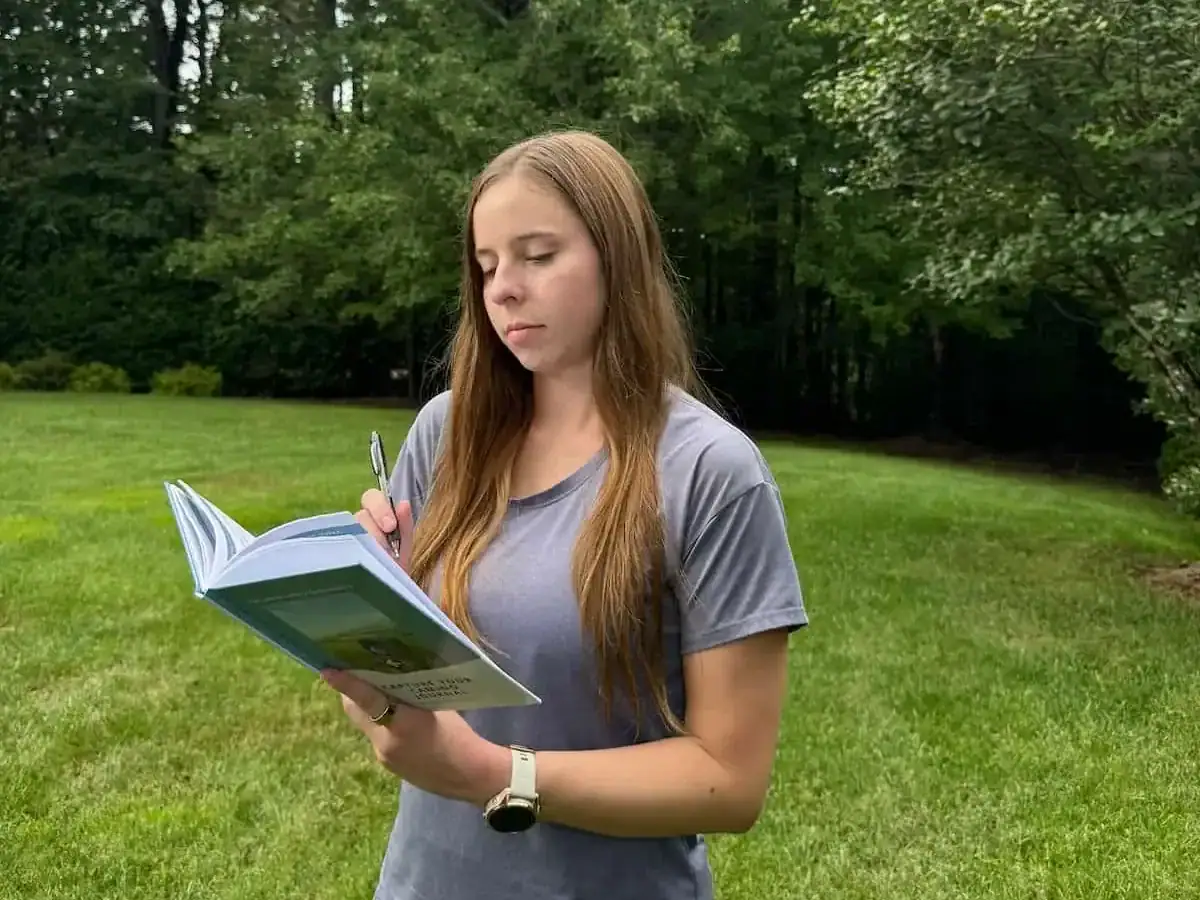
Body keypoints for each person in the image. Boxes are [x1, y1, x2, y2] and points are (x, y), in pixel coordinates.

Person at [319, 129, 808, 900]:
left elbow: (730, 781)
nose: (504, 290)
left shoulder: (711, 473)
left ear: (619, 258)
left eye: (538, 256)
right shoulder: (447, 433)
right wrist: (367, 619)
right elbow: (404, 722)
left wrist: (496, 774)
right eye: (487, 267)